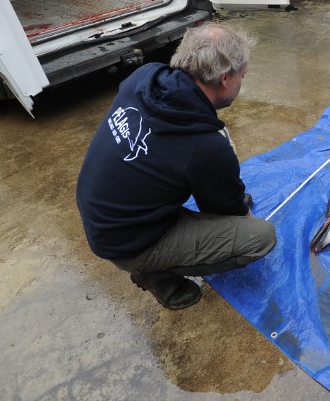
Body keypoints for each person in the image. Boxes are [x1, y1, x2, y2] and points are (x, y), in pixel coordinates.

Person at [76, 23, 276, 310]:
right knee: (259, 237)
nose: (242, 82)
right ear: (224, 79)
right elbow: (226, 213)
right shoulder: (203, 145)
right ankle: (154, 272)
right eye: (242, 76)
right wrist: (237, 212)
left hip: (101, 210)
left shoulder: (145, 77)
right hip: (126, 241)